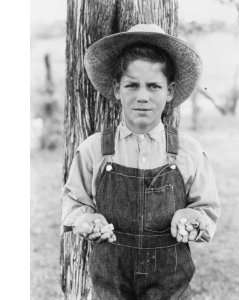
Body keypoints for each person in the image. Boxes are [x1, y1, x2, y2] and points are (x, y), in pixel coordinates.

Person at [61, 24, 220, 300]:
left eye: (154, 86)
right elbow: (75, 203)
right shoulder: (94, 150)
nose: (142, 96)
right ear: (116, 88)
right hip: (111, 284)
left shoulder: (188, 151)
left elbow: (205, 208)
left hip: (171, 287)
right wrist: (88, 220)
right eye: (132, 85)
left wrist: (190, 217)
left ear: (169, 91)